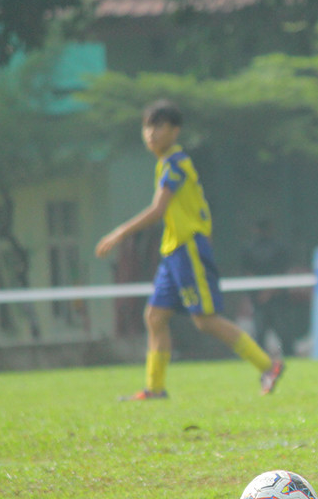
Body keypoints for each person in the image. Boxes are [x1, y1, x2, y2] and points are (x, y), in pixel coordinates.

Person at [96, 99, 284, 400]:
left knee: (205, 320)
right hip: (172, 252)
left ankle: (268, 365)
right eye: (147, 126)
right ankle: (154, 389)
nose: (151, 133)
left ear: (175, 130)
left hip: (188, 250)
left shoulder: (176, 163)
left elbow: (158, 209)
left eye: (158, 126)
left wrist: (120, 232)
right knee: (155, 317)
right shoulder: (163, 164)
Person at [241, 219, 298, 356]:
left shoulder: (279, 247)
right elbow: (247, 272)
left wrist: (268, 292)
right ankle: (261, 362)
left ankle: (291, 359)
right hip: (259, 299)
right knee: (259, 334)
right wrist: (259, 293)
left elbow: (282, 271)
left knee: (284, 333)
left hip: (277, 297)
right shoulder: (249, 249)